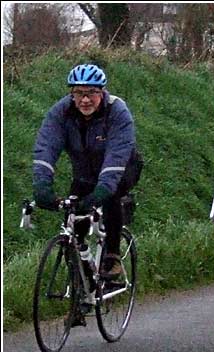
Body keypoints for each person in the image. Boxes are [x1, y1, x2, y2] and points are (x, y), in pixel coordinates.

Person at [32, 63, 143, 286]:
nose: (85, 100)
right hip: (84, 173)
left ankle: (112, 256)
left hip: (121, 168)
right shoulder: (61, 112)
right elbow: (46, 146)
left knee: (110, 196)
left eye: (92, 93)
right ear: (71, 94)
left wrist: (102, 190)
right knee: (74, 222)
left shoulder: (117, 111)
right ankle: (81, 281)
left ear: (101, 92)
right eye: (79, 93)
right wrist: (42, 184)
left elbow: (116, 156)